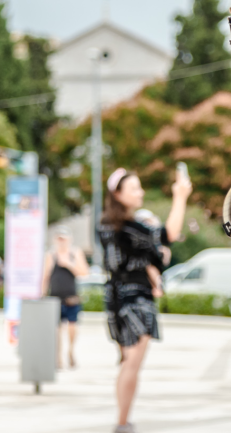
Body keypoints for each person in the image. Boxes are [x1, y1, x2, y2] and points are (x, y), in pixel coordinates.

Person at [99, 167, 191, 433]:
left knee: (127, 362)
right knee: (132, 364)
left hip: (117, 298)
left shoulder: (108, 225)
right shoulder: (130, 228)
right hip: (135, 299)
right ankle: (122, 422)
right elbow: (168, 234)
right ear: (117, 194)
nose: (140, 192)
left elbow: (147, 255)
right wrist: (180, 196)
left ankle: (123, 419)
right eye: (134, 188)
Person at [41, 227, 90, 368]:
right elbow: (45, 275)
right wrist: (42, 294)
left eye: (64, 239)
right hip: (55, 296)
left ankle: (71, 351)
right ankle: (58, 357)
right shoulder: (51, 254)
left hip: (71, 296)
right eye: (59, 239)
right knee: (56, 329)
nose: (61, 241)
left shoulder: (75, 253)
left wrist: (69, 264)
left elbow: (84, 273)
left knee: (72, 326)